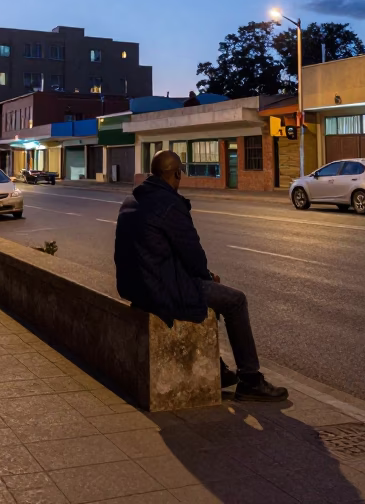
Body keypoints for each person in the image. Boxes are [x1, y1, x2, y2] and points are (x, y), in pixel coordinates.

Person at [114, 150, 287, 402]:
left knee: (206, 292)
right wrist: (207, 276)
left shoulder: (133, 200)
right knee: (235, 300)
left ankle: (218, 368)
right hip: (160, 290)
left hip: (135, 286)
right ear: (176, 174)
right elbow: (193, 255)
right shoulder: (170, 204)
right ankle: (250, 379)